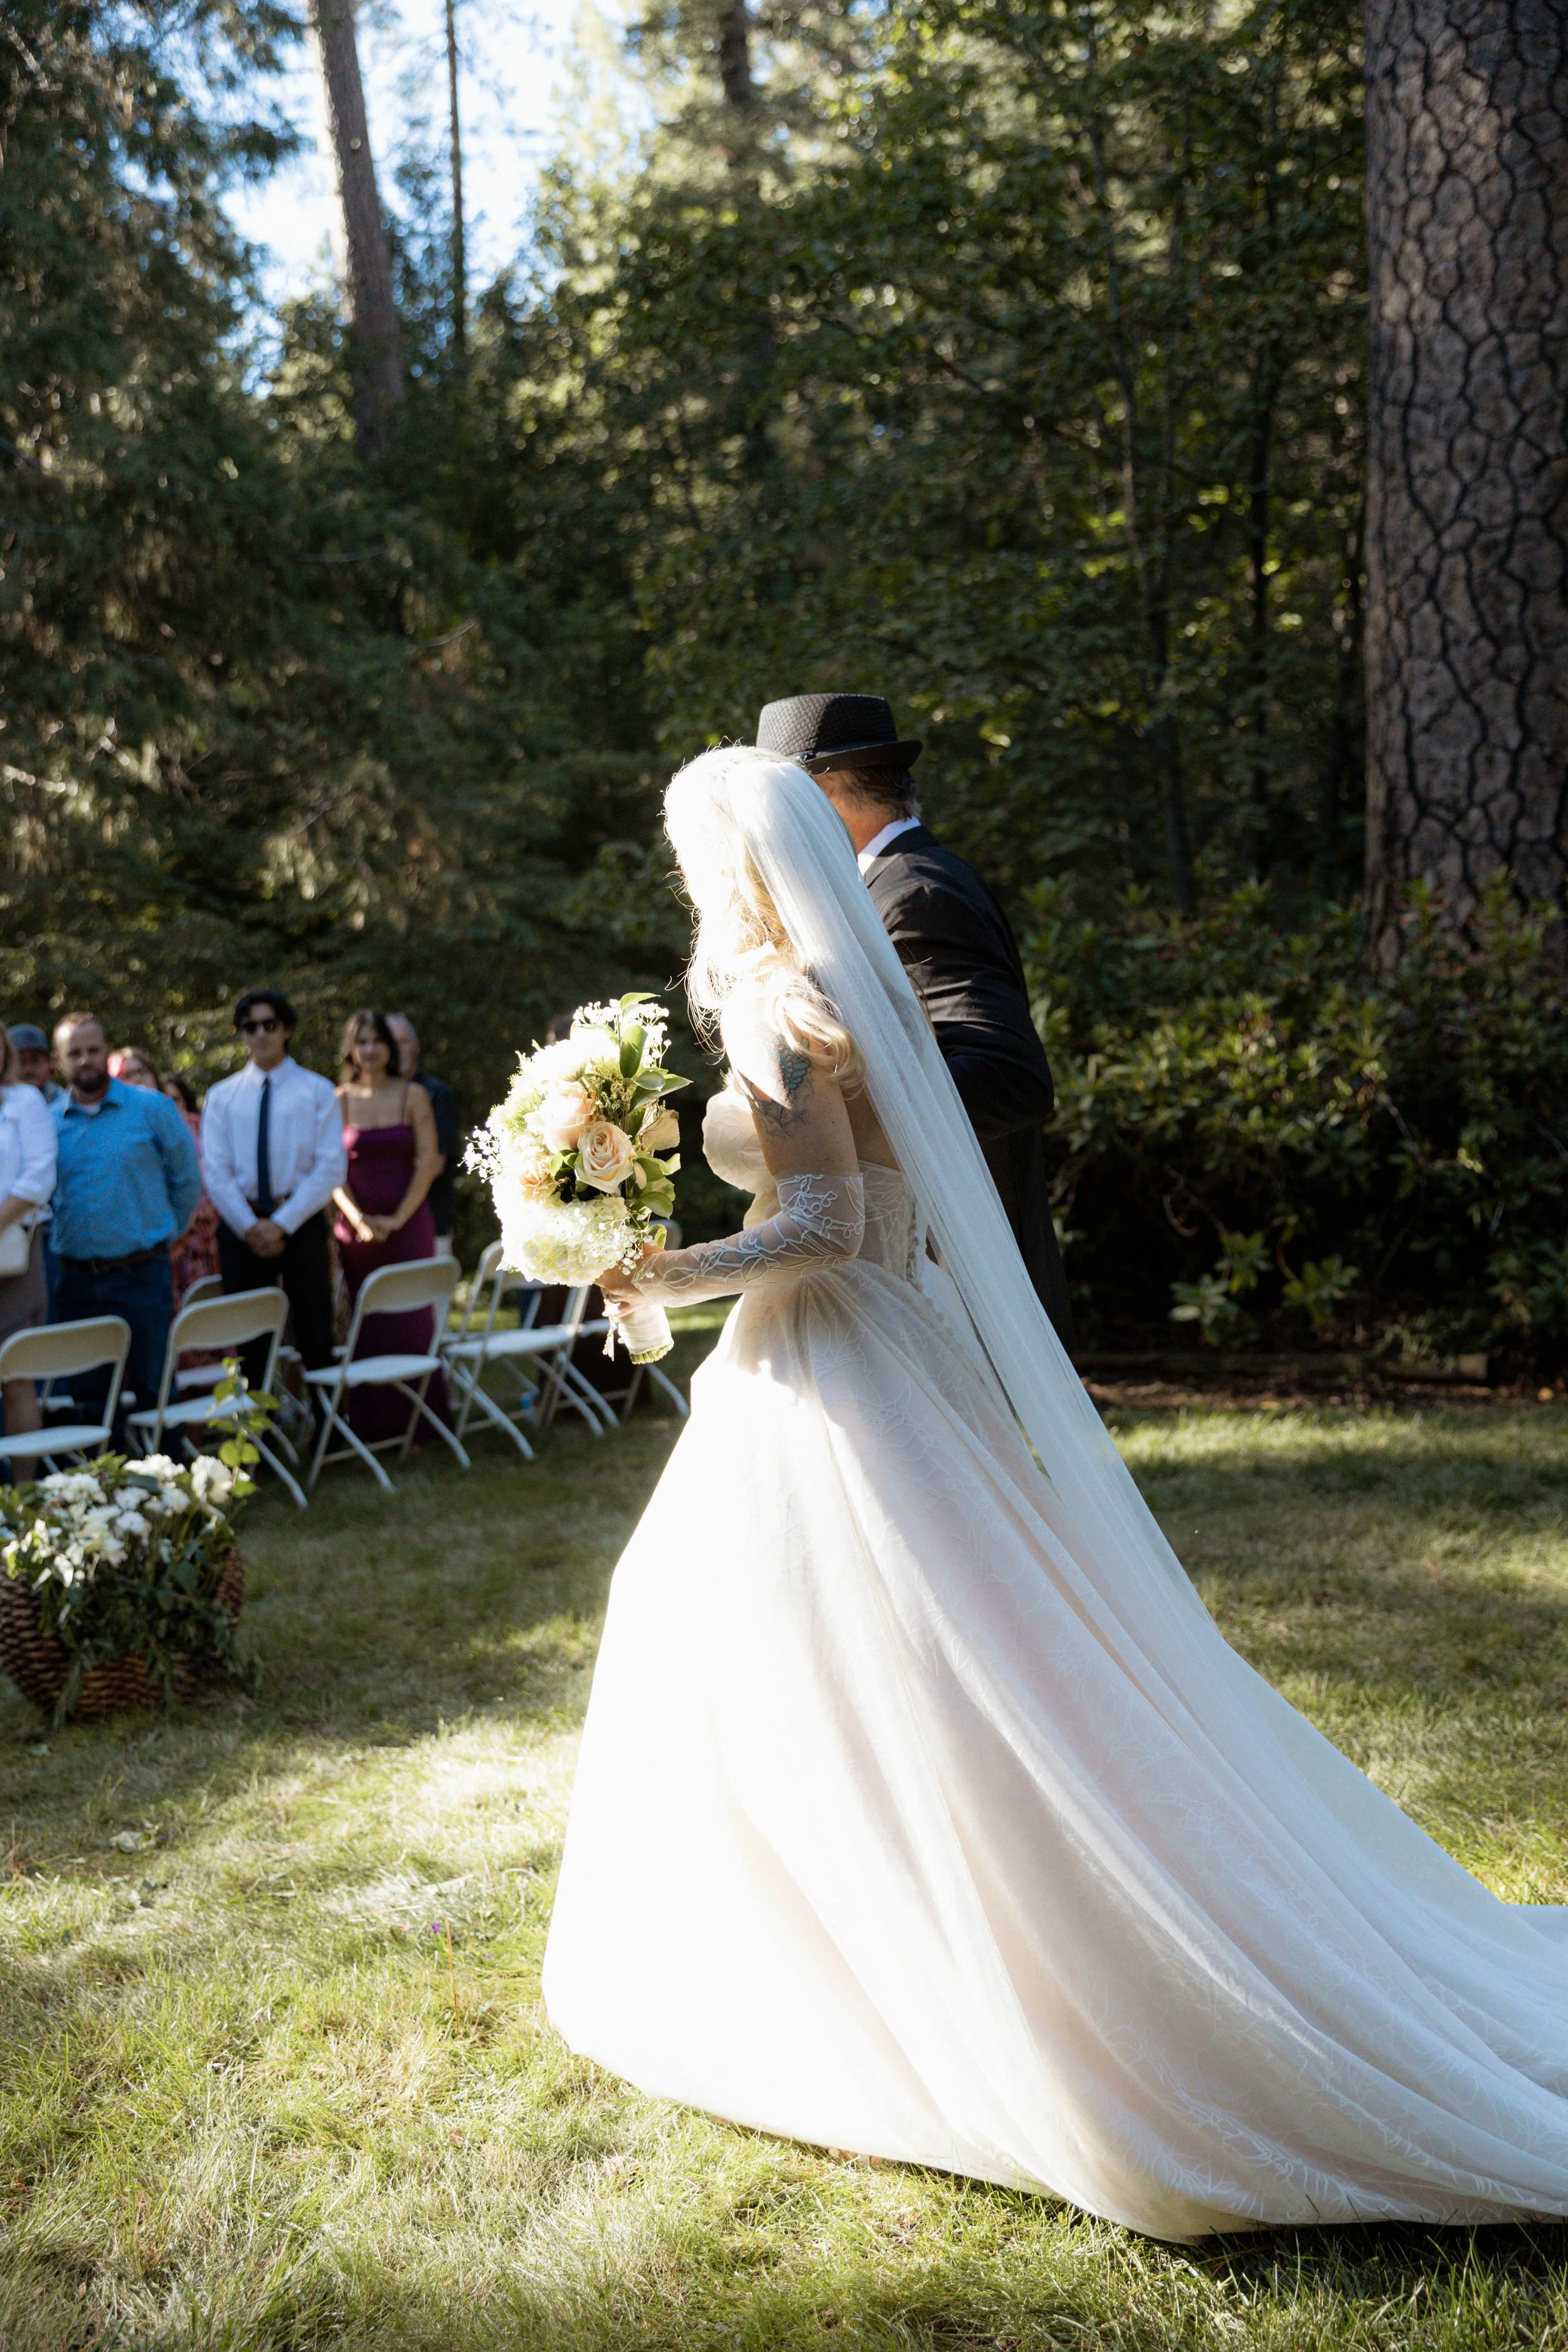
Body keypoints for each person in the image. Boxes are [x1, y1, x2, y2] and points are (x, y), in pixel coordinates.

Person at [544, 744, 1568, 2243]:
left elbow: (821, 1222)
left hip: (841, 1355)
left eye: (691, 851)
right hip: (902, 1333)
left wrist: (658, 1266)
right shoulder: (858, 984)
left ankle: (939, 1963)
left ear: (731, 867)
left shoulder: (777, 1005)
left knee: (889, 1657)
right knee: (942, 1641)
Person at [755, 692, 1074, 1353]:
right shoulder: (892, 886)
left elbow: (1009, 1076)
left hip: (950, 1260)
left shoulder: (916, 892)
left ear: (822, 794)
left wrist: (853, 1134)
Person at [50, 1012, 201, 1433]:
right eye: (74, 1053)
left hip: (142, 1272)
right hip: (76, 1281)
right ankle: (102, 1494)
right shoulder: (47, 1123)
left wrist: (167, 1234)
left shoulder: (151, 1108)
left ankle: (172, 1489)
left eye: (93, 1050)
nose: (85, 1061)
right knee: (91, 1396)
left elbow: (187, 1180)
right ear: (58, 1061)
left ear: (108, 1052)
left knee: (156, 1386)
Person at [201, 989, 346, 1402]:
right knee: (251, 1340)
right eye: (251, 1027)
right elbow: (217, 1172)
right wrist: (251, 1228)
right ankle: (258, 1443)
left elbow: (330, 1167)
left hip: (298, 1222)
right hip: (241, 1226)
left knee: (316, 1330)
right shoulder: (222, 1096)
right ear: (240, 1034)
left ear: (287, 1030)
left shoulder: (317, 1091)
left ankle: (328, 1433)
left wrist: (280, 1224)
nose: (261, 1034)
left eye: (270, 1025)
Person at [332, 1009, 448, 1440]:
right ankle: (373, 1429)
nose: (370, 1049)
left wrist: (398, 1219)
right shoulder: (338, 1099)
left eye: (377, 1040)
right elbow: (331, 1170)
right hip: (357, 1231)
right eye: (361, 1041)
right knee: (369, 1324)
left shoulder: (413, 1095)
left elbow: (427, 1161)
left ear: (391, 1047)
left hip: (409, 1223)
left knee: (413, 1319)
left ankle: (423, 1427)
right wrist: (358, 1218)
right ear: (350, 1048)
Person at [0, 1020, 58, 1456]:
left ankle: (25, 1499)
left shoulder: (24, 1101)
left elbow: (40, 1175)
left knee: (16, 1374)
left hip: (13, 1254)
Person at [386, 1013, 460, 1257]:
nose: (397, 1049)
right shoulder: (361, 1099)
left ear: (416, 1046)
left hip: (430, 1224)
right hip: (378, 1227)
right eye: (390, 1042)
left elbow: (434, 1164)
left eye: (403, 1042)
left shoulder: (437, 1094)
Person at [161, 1072, 223, 1305]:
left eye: (175, 1099)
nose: (169, 1106)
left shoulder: (202, 1129)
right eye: (163, 1100)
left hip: (205, 1243)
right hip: (167, 1247)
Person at [6, 1024, 61, 1104]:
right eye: (21, 1061)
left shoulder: (65, 1104)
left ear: (49, 1063)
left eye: (35, 1060)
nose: (29, 1069)